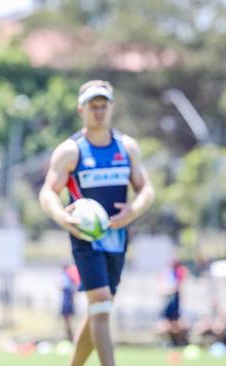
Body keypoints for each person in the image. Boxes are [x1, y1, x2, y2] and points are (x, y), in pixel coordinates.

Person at [39, 80, 155, 366]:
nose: (99, 111)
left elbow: (146, 189)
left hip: (118, 239)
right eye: (93, 106)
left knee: (98, 311)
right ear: (82, 109)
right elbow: (47, 192)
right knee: (101, 304)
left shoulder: (127, 147)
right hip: (85, 239)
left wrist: (133, 211)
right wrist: (62, 217)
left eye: (104, 106)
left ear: (112, 108)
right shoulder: (70, 151)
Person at [158, 258, 188, 346]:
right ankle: (169, 342)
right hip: (168, 306)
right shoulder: (167, 274)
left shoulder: (178, 273)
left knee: (177, 326)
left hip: (175, 306)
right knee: (164, 326)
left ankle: (177, 342)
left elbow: (180, 283)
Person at [61, 263, 80, 342]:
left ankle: (71, 337)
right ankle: (70, 337)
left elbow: (71, 288)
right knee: (67, 319)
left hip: (68, 301)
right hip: (67, 300)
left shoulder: (69, 275)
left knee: (68, 319)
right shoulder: (66, 275)